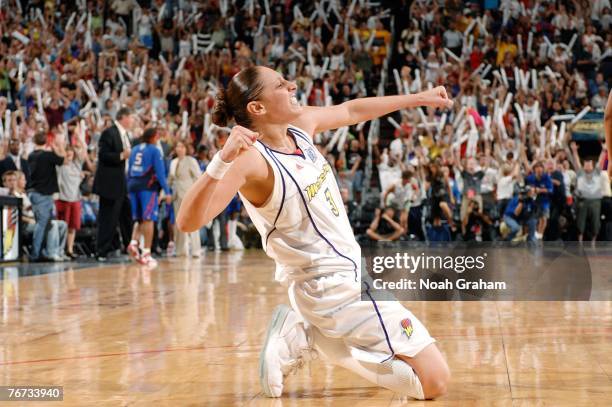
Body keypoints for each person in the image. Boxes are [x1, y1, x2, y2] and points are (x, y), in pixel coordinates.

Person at [177, 66, 452, 400]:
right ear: (257, 108)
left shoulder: (299, 129)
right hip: (329, 288)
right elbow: (188, 222)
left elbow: (352, 110)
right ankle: (314, 337)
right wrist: (221, 159)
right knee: (433, 381)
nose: (292, 85)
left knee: (427, 375)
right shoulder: (250, 161)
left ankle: (311, 333)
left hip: (348, 278)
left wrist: (418, 98)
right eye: (280, 85)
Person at [93, 107, 134, 261]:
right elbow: (102, 155)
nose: (132, 121)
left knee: (126, 216)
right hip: (109, 184)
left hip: (121, 183)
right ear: (123, 117)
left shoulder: (125, 135)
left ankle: (130, 247)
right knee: (108, 218)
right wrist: (121, 155)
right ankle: (101, 251)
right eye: (131, 117)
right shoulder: (109, 132)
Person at [126, 128, 172, 267]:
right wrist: (167, 191)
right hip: (147, 186)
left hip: (132, 185)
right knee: (149, 219)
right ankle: (146, 253)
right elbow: (160, 173)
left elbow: (128, 171)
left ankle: (134, 243)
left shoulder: (134, 149)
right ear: (153, 137)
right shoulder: (154, 150)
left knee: (139, 218)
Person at [27, 131, 66, 262]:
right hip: (43, 195)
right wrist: (57, 147)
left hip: (33, 192)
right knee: (42, 224)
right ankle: (35, 254)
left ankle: (45, 252)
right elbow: (63, 160)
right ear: (46, 142)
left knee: (47, 224)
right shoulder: (47, 156)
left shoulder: (31, 155)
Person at [56, 135, 89, 258]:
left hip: (75, 199)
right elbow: (59, 151)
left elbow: (84, 151)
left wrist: (79, 136)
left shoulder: (77, 166)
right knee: (63, 227)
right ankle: (60, 249)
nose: (69, 156)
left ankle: (69, 249)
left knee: (73, 227)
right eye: (67, 154)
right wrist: (62, 143)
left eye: (71, 154)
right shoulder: (60, 165)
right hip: (63, 199)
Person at [168, 140, 202, 257]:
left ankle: (196, 250)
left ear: (186, 148)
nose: (179, 149)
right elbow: (170, 180)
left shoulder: (191, 161)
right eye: (177, 146)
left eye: (182, 146)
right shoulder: (173, 162)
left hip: (189, 194)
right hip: (177, 196)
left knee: (192, 222)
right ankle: (180, 250)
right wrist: (165, 193)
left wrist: (197, 194)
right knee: (179, 223)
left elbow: (199, 178)